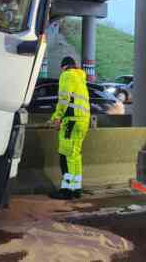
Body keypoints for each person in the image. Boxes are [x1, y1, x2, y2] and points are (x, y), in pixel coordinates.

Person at [49, 56, 91, 200]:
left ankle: (66, 190)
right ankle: (76, 188)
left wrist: (57, 117)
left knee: (65, 155)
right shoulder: (80, 78)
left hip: (71, 121)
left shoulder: (67, 75)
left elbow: (64, 98)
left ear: (64, 67)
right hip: (83, 121)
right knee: (75, 155)